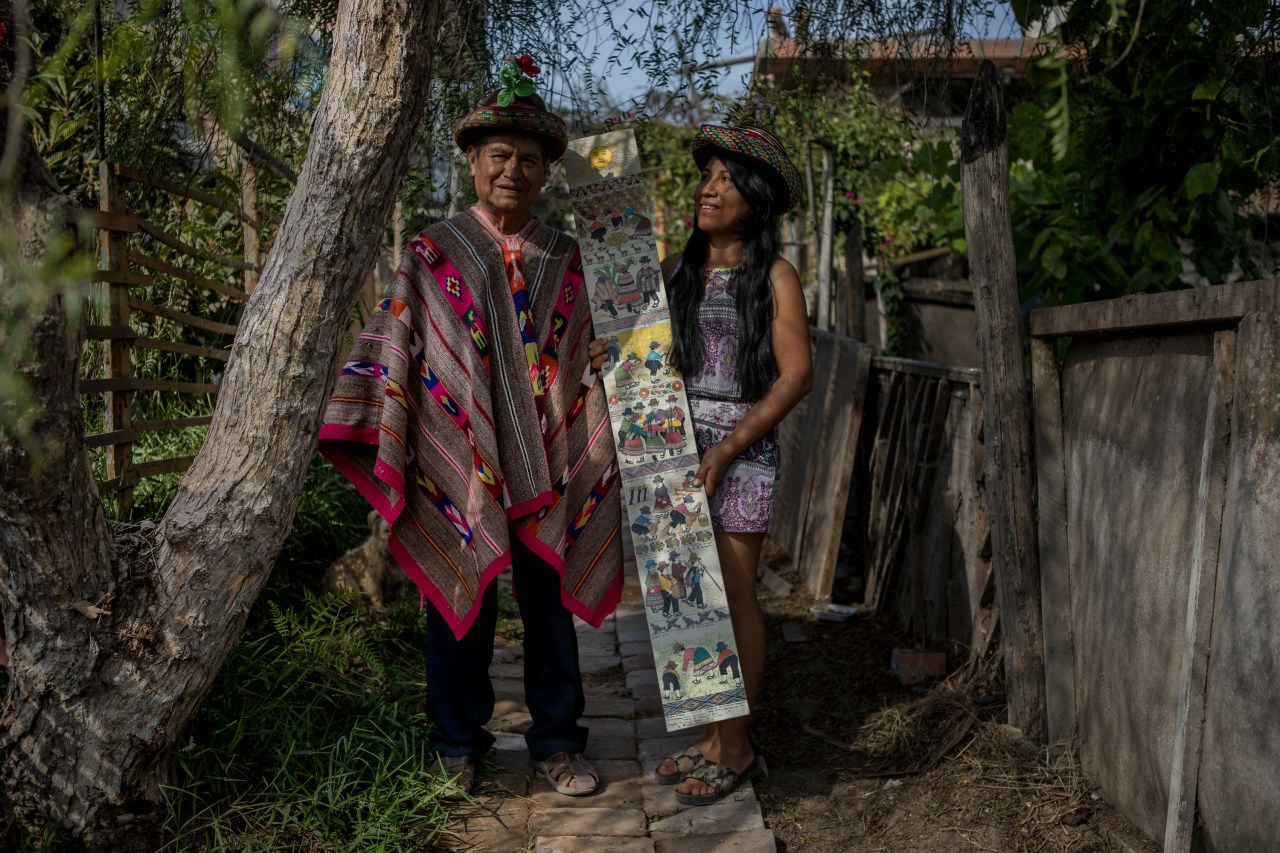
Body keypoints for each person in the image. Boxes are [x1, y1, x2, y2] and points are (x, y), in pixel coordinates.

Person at [320, 60, 622, 800]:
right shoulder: (433, 254)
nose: (511, 169)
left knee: (550, 606)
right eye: (498, 155)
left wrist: (614, 356)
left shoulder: (570, 258)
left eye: (527, 158)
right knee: (459, 601)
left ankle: (556, 739)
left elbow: (593, 347)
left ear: (548, 171)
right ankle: (457, 741)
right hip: (464, 460)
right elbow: (400, 345)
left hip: (549, 458)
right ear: (472, 162)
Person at [590, 124, 811, 806]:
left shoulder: (774, 275)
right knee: (688, 595)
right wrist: (615, 360)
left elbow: (796, 374)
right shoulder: (675, 271)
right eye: (706, 177)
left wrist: (726, 447)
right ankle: (712, 735)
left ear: (756, 199)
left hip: (738, 451)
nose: (709, 189)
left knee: (736, 593)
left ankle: (737, 746)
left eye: (726, 180)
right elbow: (649, 358)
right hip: (671, 447)